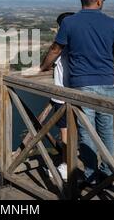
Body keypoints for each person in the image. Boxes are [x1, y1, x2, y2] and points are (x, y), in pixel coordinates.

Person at [41, 0, 114, 185]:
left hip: (82, 85)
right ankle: (108, 172)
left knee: (86, 132)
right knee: (106, 131)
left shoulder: (69, 22)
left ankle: (91, 176)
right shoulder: (111, 23)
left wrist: (43, 66)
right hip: (106, 83)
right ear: (99, 0)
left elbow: (55, 49)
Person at [46, 12, 74, 181]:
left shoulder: (61, 46)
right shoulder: (80, 45)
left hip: (62, 96)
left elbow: (50, 60)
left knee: (65, 133)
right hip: (79, 94)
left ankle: (66, 165)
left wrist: (43, 67)